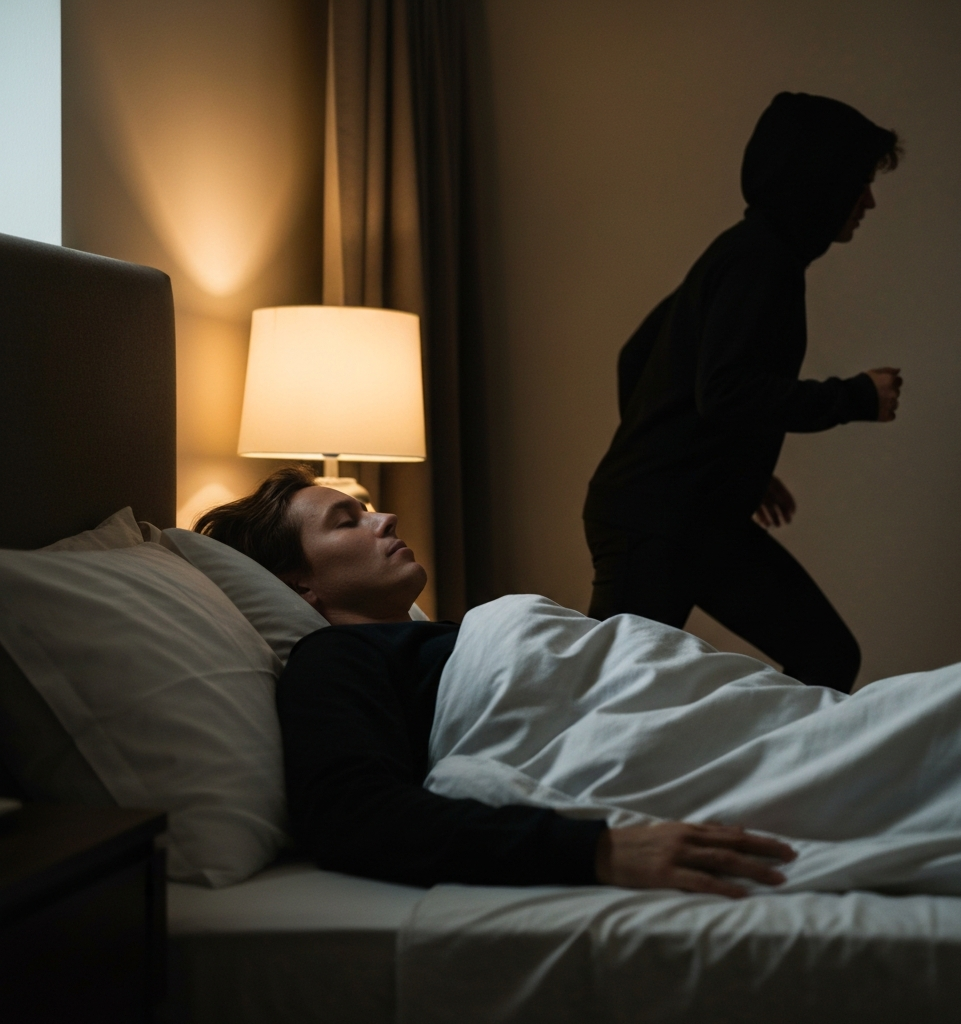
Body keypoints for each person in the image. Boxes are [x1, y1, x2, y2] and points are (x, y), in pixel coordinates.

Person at [196, 468, 797, 899]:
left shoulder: (451, 638)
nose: (386, 518)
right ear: (299, 586)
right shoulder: (333, 659)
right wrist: (599, 850)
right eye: (346, 521)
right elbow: (350, 812)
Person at [583, 92, 904, 693]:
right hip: (657, 522)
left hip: (692, 516)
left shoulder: (748, 251)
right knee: (608, 696)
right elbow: (727, 390)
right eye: (860, 182)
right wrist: (856, 397)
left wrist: (725, 461)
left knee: (828, 655)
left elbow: (638, 355)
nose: (869, 201)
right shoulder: (761, 261)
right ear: (821, 182)